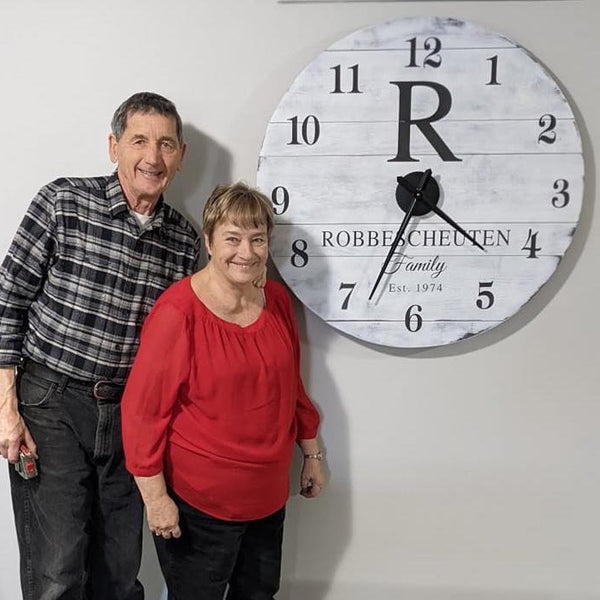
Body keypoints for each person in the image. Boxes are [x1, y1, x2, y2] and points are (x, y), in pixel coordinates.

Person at [0, 92, 199, 599]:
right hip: (51, 404)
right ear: (114, 147)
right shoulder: (62, 201)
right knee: (57, 574)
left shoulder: (184, 240)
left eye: (165, 144)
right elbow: (7, 303)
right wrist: (6, 410)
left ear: (180, 156)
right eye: (139, 140)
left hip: (130, 416)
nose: (152, 157)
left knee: (118, 573)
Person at [121, 181, 325, 600]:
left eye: (257, 239)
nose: (246, 253)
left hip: (267, 499)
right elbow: (143, 413)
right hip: (200, 507)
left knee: (259, 594)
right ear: (210, 242)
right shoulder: (178, 314)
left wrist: (312, 453)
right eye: (233, 238)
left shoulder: (277, 303)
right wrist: (155, 498)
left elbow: (292, 388)